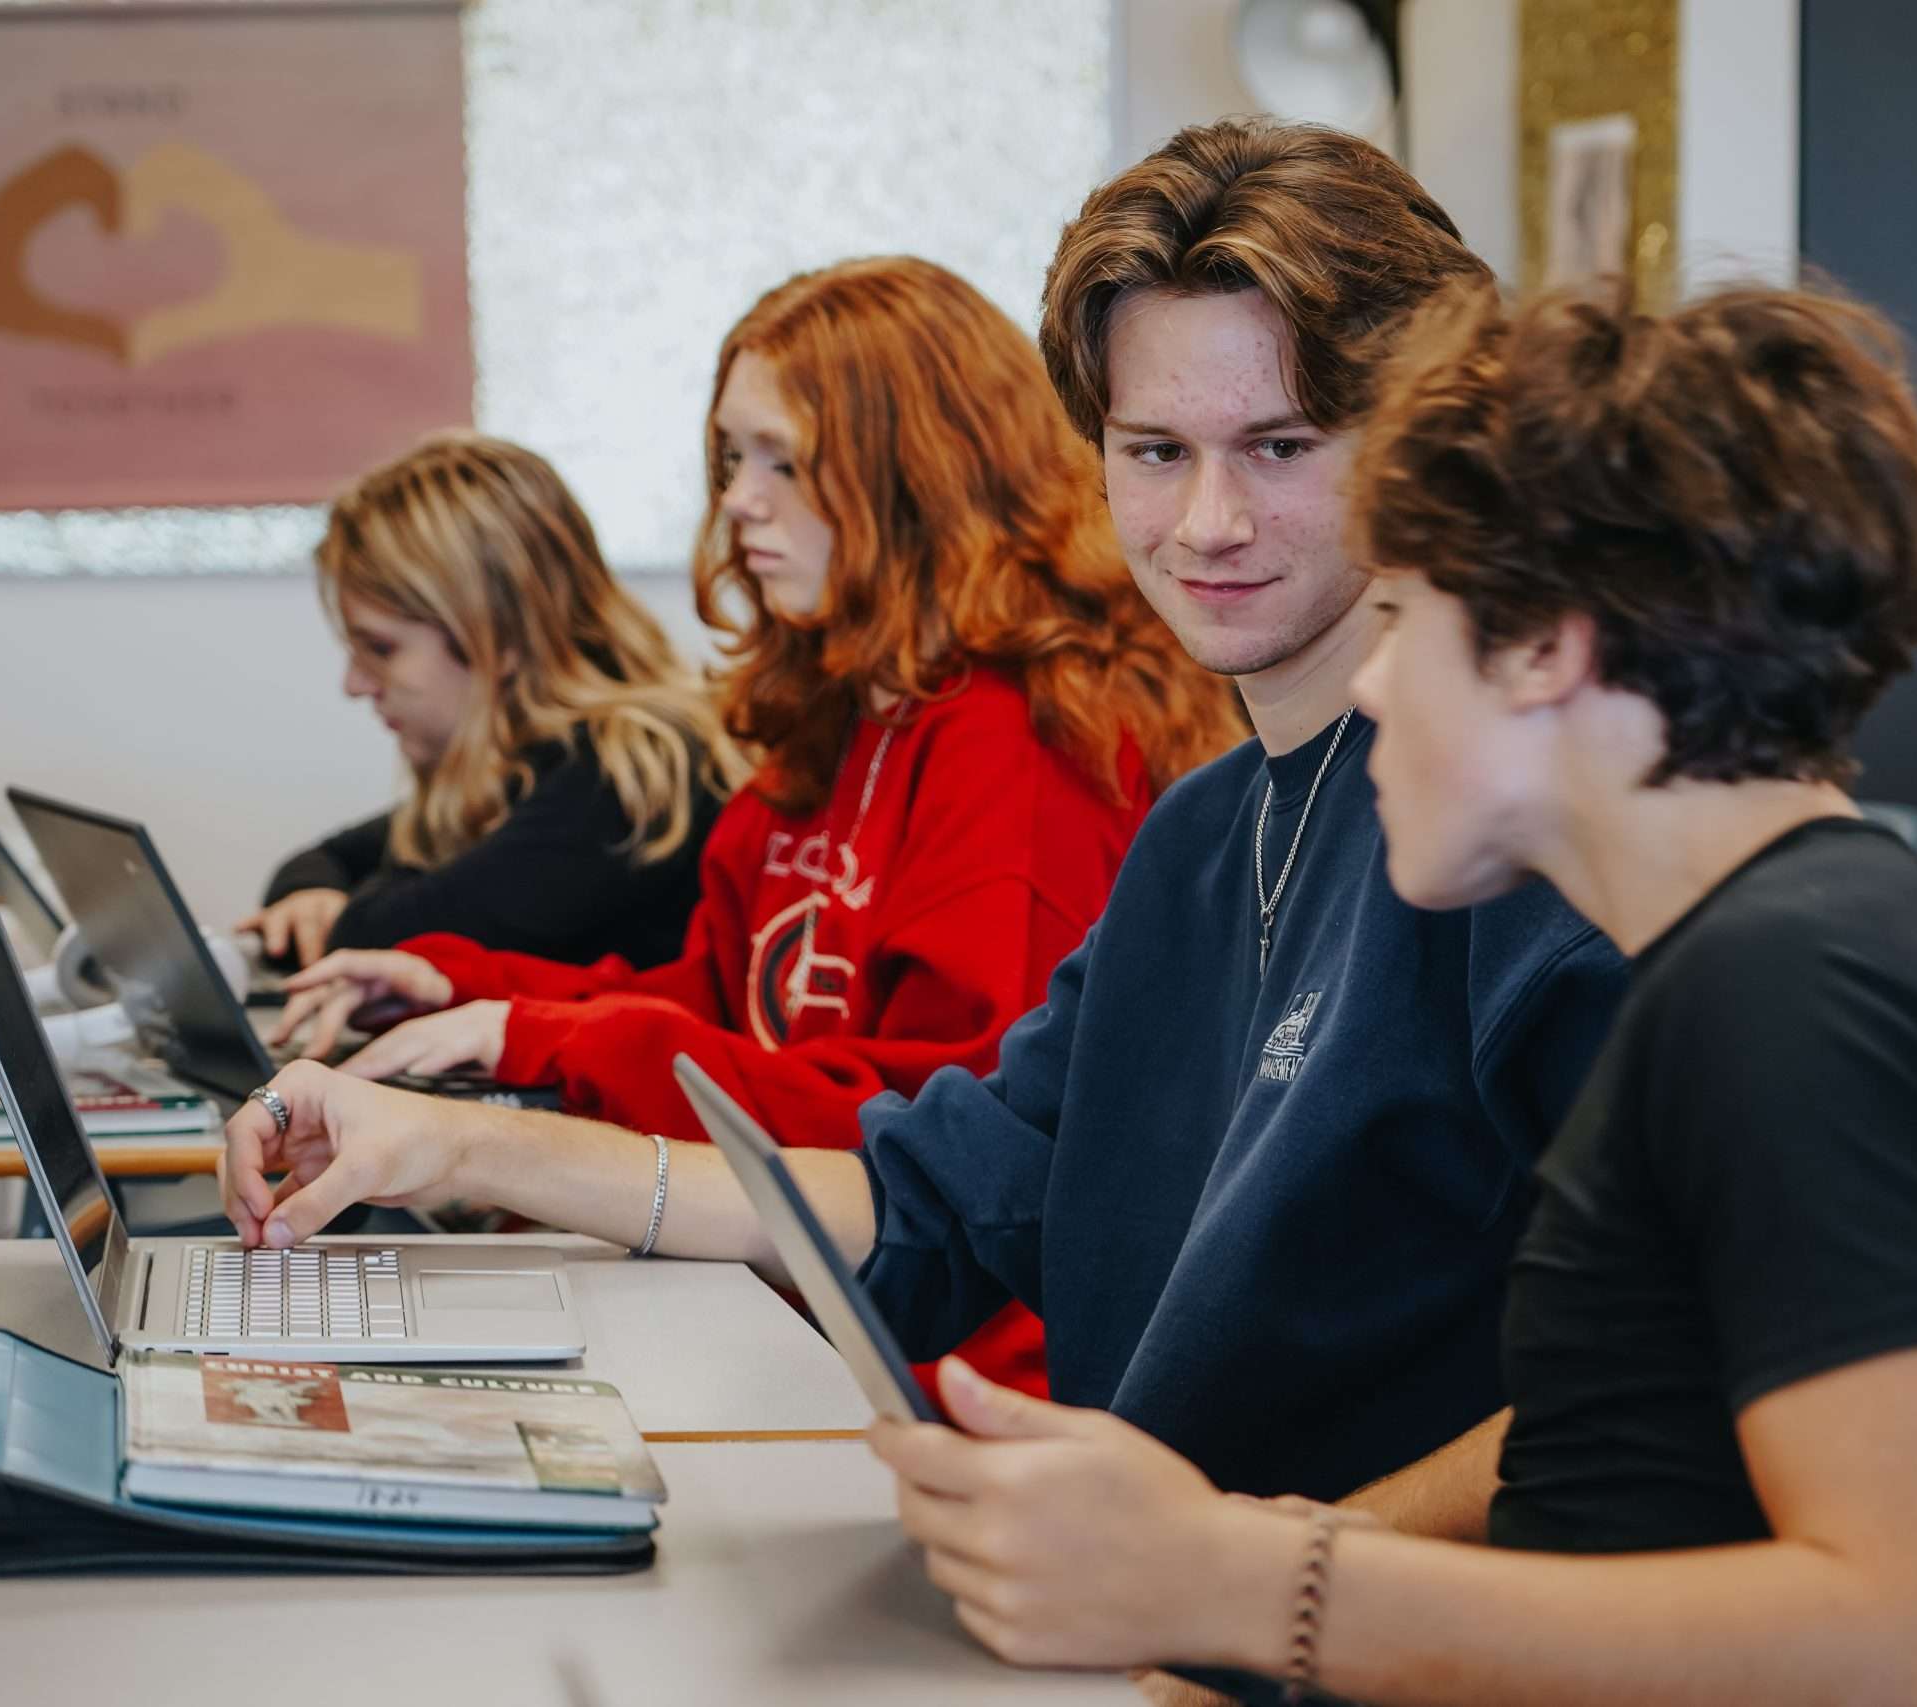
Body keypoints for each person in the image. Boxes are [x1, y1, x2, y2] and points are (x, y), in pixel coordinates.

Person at [224, 121, 1622, 1489]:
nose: (1207, 523)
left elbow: (1638, 1398)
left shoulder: (1536, 852)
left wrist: (1261, 1602)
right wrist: (469, 1135)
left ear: (1428, 444)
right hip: (1121, 1583)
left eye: (1281, 445)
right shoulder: (1200, 837)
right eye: (1152, 452)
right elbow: (928, 1197)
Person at [863, 281, 1917, 1707]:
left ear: (1545, 645)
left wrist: (1247, 1582)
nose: (1377, 689)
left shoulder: (1798, 991)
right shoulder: (1757, 959)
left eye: (1402, 619)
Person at [257, 255, 1243, 1393]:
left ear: (915, 473)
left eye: (784, 460)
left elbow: (926, 1127)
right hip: (781, 1298)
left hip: (935, 1371)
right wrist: (484, 995)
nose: (737, 500)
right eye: (731, 459)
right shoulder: (845, 711)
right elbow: (729, 1006)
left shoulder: (1019, 745)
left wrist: (546, 1039)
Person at [241, 432, 736, 972]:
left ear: (499, 637)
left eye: (381, 649)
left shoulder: (631, 773)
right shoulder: (524, 764)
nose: (356, 683)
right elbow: (323, 861)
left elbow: (396, 940)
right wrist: (312, 895)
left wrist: (335, 917)